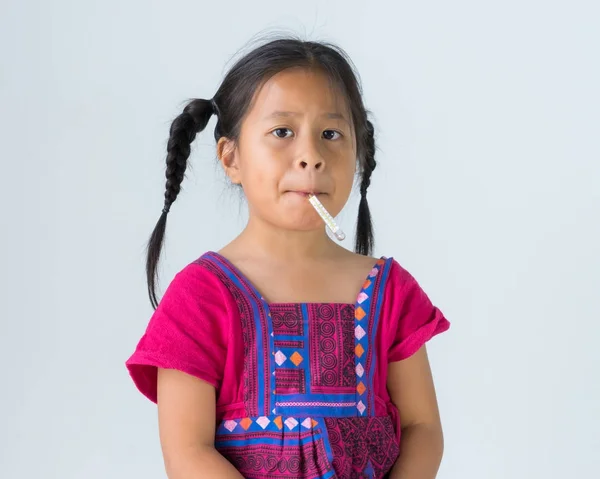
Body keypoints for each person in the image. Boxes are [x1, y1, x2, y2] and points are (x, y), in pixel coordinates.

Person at [125, 36, 451, 479]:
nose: (311, 157)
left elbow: (422, 427)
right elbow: (187, 452)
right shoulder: (200, 296)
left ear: (358, 154)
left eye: (331, 134)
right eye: (282, 132)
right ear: (231, 157)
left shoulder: (391, 291)